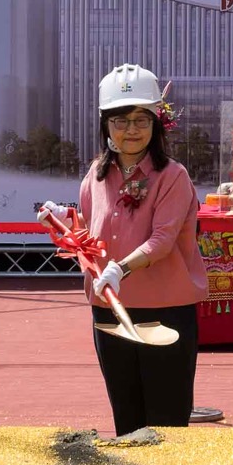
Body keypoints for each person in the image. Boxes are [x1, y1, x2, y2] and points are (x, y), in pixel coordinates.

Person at [52, 64, 205, 437]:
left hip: (164, 312)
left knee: (167, 422)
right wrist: (63, 221)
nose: (131, 130)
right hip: (109, 309)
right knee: (126, 417)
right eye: (120, 120)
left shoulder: (172, 176)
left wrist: (119, 268)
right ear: (105, 125)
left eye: (141, 120)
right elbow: (90, 233)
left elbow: (162, 240)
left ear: (156, 124)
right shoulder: (96, 175)